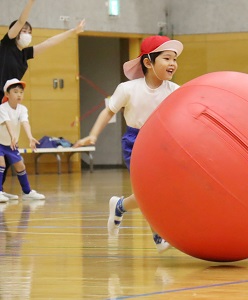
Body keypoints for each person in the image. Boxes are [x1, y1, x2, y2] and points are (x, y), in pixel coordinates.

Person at [73, 35, 183, 253]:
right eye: (167, 58)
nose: (173, 64)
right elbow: (108, 111)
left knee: (153, 193)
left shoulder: (175, 90)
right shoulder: (127, 88)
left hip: (163, 143)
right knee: (151, 191)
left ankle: (120, 206)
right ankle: (158, 235)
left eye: (175, 59)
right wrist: (93, 135)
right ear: (148, 62)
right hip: (136, 142)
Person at [0, 0, 85, 199]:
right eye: (24, 29)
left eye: (30, 30)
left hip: (7, 102)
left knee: (6, 146)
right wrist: (31, 3)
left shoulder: (24, 55)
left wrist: (72, 31)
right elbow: (21, 20)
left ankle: (2, 190)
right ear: (15, 31)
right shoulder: (6, 44)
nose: (27, 32)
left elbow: (48, 43)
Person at [0, 78, 45, 202]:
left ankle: (27, 192)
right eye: (15, 92)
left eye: (21, 92)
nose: (19, 94)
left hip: (11, 144)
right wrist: (13, 135)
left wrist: (30, 137)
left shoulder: (22, 109)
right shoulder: (2, 108)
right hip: (1, 143)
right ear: (7, 94)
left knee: (20, 165)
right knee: (1, 163)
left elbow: (25, 122)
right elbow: (8, 123)